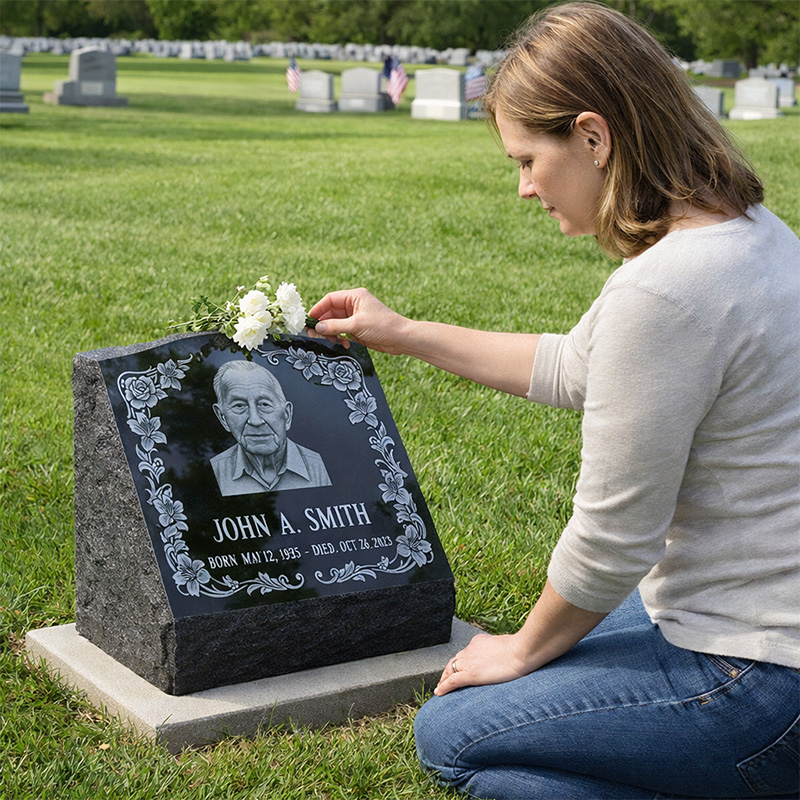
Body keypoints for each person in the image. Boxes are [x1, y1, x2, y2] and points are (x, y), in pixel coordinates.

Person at [307, 3, 800, 798]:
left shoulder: (667, 291)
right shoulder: (743, 230)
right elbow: (577, 365)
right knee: (564, 674)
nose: (525, 188)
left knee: (455, 739)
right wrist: (402, 330)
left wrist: (524, 650)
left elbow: (614, 534)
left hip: (764, 679)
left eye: (529, 158)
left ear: (594, 137)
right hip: (747, 616)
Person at [211, 360, 331, 495]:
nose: (255, 420)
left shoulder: (323, 466)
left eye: (264, 404)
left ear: (287, 414)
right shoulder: (212, 472)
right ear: (222, 417)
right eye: (239, 406)